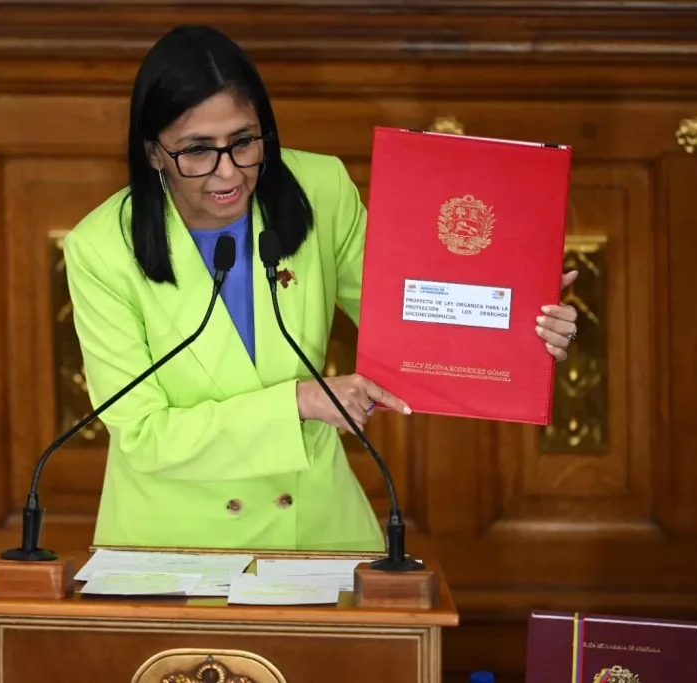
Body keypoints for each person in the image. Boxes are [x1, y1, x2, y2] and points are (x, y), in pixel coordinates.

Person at [64, 25, 579, 552]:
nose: (229, 173)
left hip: (315, 529)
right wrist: (299, 402)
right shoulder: (101, 248)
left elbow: (408, 327)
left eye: (244, 142)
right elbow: (145, 435)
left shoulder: (320, 189)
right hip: (172, 542)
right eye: (197, 151)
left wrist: (520, 328)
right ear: (153, 153)